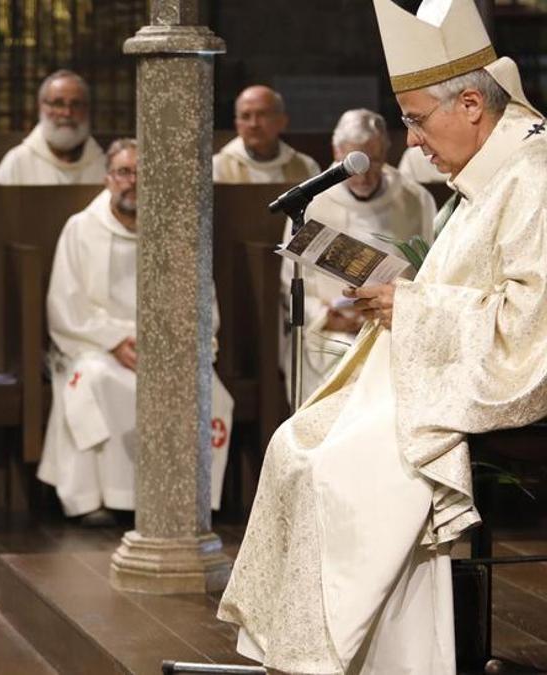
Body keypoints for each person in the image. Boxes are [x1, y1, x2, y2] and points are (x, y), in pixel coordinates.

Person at [218, 0, 547, 671]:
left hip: (488, 382)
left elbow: (531, 326)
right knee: (294, 444)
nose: (414, 143)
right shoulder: (485, 176)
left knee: (330, 470)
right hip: (429, 371)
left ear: (472, 108)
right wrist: (406, 297)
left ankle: (351, 655)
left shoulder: (533, 178)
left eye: (419, 121)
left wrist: (415, 306)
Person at [38, 140, 234, 522]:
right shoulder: (81, 229)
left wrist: (168, 344)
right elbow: (66, 306)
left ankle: (181, 502)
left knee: (209, 393)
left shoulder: (177, 231)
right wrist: (115, 342)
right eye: (125, 173)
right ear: (108, 178)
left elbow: (201, 304)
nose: (134, 183)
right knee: (95, 381)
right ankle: (99, 501)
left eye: (144, 174)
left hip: (166, 349)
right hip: (96, 348)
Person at [281, 109, 436, 404]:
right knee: (340, 359)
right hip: (330, 331)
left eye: (374, 161)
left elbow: (432, 270)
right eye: (355, 163)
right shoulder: (311, 203)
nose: (365, 174)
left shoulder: (414, 200)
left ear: (386, 153)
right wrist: (326, 317)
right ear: (337, 153)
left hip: (394, 326)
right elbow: (288, 281)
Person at [0, 70, 106, 185]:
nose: (67, 113)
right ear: (41, 107)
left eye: (76, 104)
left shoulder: (103, 165)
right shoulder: (17, 162)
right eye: (58, 104)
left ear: (87, 109)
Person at [213, 85, 320, 183]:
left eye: (262, 115)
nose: (253, 124)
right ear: (237, 124)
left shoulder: (306, 167)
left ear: (282, 121)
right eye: (245, 116)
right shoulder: (216, 167)